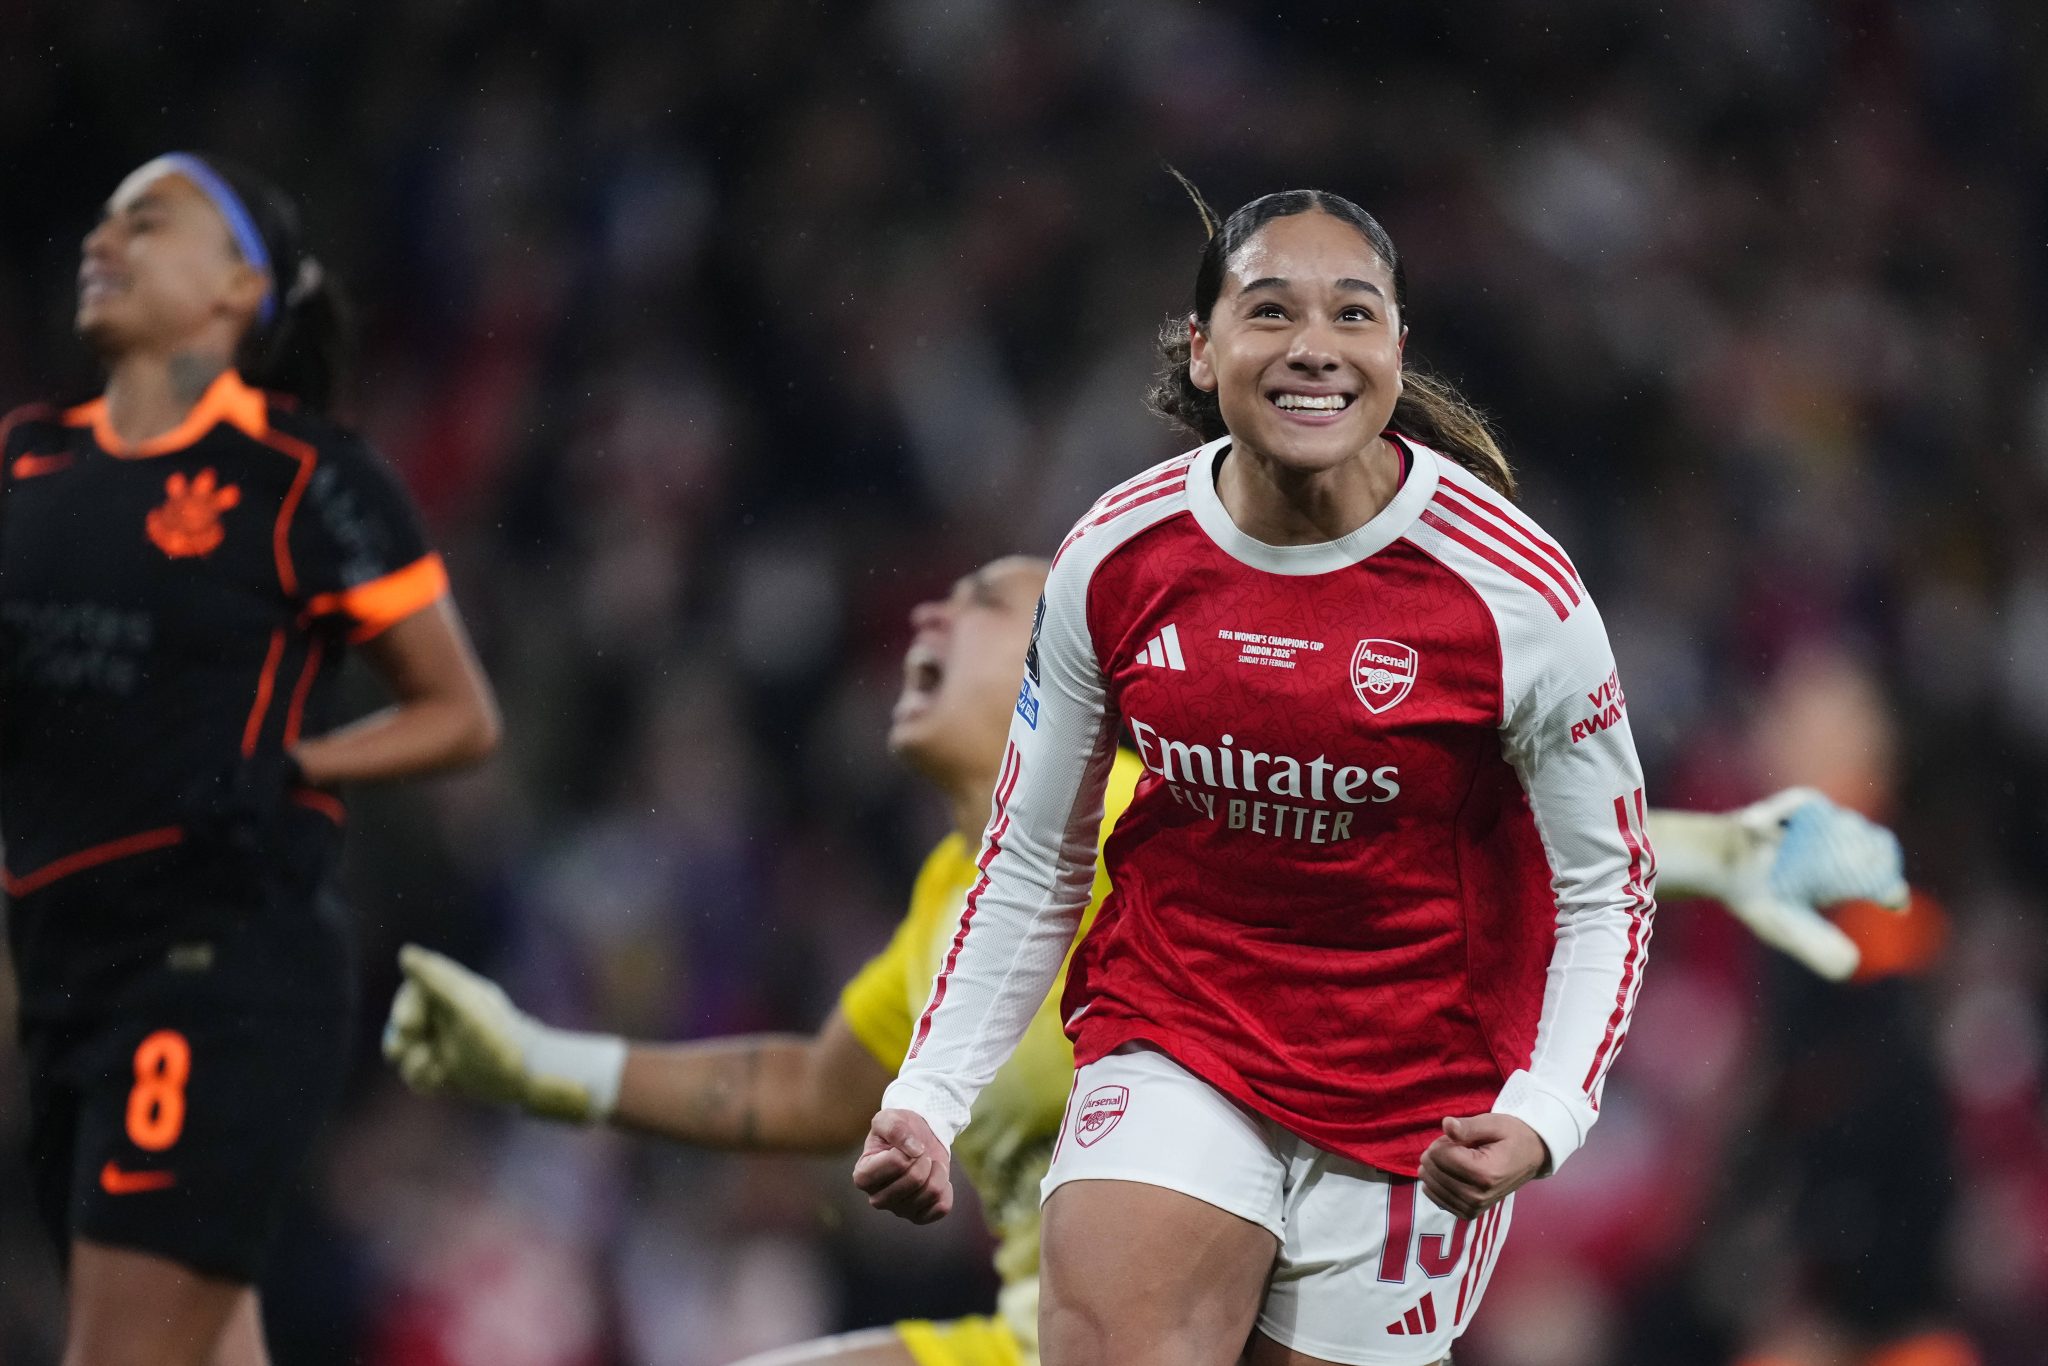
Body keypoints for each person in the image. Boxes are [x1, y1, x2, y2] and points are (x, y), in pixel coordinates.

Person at [383, 552, 1905, 1366]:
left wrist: (1705, 851)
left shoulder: (1180, 802)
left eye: (983, 597)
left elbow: (1441, 830)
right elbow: (802, 1086)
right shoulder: (945, 900)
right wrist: (535, 1064)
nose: (931, 609)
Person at [843, 183, 1674, 1366]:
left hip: (1417, 1093)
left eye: (1351, 314)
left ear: (1395, 346)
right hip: (1177, 1029)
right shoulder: (1115, 559)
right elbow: (1034, 855)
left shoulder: (1513, 592)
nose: (1312, 349)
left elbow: (1609, 888)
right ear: (1202, 348)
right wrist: (930, 1093)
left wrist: (1547, 1111)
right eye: (1269, 311)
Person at [0, 153, 501, 1366]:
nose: (103, 238)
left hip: (216, 969)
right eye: (103, 215)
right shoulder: (25, 461)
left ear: (239, 287)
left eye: (148, 219)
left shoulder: (302, 475)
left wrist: (304, 763)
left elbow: (459, 713)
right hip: (66, 978)